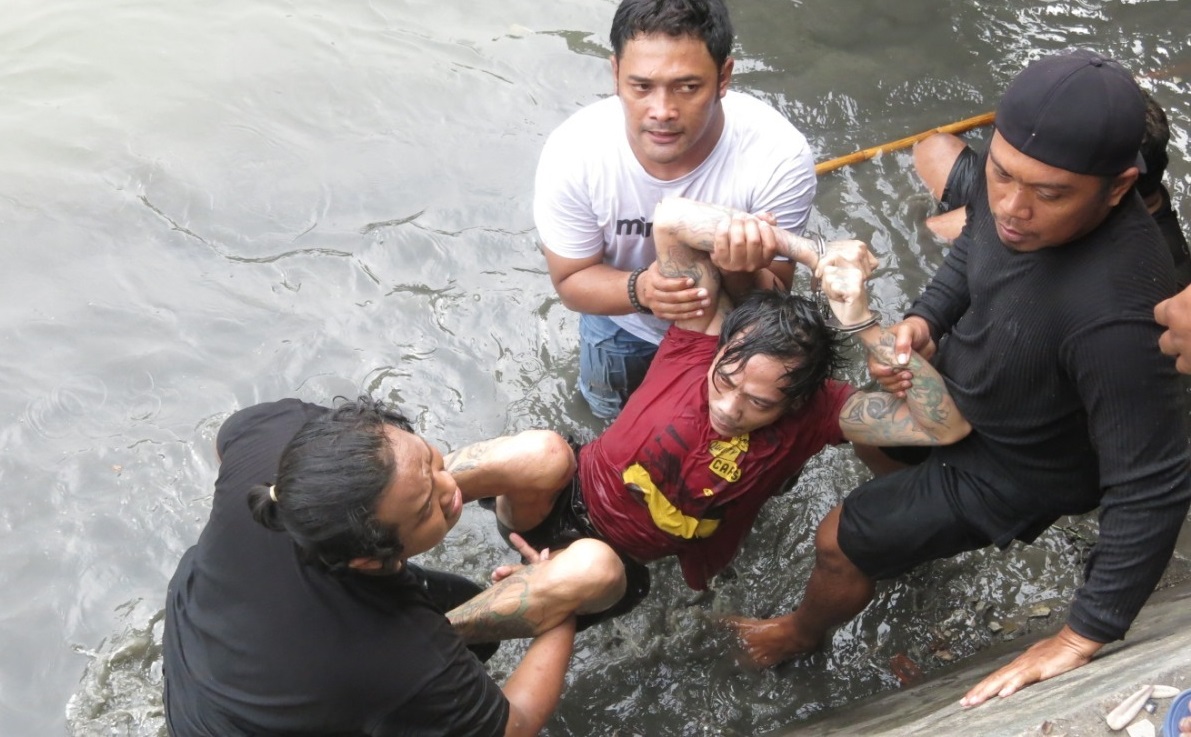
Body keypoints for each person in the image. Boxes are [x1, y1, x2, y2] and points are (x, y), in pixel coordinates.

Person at [739, 50, 1191, 707]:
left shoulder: (1118, 313)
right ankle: (916, 532)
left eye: (1049, 193)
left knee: (838, 537)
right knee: (865, 428)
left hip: (1020, 464)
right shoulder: (1002, 190)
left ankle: (796, 633)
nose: (1013, 207)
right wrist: (924, 318)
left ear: (1118, 186)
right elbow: (975, 248)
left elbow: (1152, 479)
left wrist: (1083, 629)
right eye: (1002, 173)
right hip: (971, 382)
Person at [478, 196, 969, 629]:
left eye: (760, 403)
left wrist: (861, 319)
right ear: (720, 348)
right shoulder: (698, 338)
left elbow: (943, 427)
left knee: (588, 567)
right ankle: (412, 500)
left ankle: (448, 634)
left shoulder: (823, 412)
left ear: (797, 400)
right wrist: (815, 256)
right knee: (542, 451)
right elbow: (672, 218)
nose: (729, 410)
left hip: (614, 564)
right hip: (560, 499)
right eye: (725, 381)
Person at [162, 397, 626, 737]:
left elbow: (229, 438)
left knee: (541, 456)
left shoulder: (275, 446)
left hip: (223, 630)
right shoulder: (395, 657)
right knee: (593, 571)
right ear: (369, 558)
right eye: (427, 508)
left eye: (427, 459)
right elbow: (516, 723)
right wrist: (562, 607)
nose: (450, 490)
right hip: (229, 719)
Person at [534, 0, 818, 419]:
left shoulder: (779, 156)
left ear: (724, 77)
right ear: (615, 74)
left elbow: (773, 302)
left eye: (687, 87)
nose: (662, 111)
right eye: (641, 86)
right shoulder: (573, 154)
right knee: (608, 421)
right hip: (622, 325)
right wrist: (641, 291)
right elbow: (572, 280)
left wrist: (741, 268)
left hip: (726, 335)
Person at [914, 89, 1191, 287]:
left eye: (1050, 192)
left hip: (1041, 238)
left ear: (1117, 186)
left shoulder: (1154, 271)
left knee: (935, 230)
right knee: (934, 147)